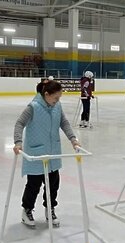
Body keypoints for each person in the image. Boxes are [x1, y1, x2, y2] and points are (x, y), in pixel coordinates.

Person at [13, 80, 80, 228]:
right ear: (46, 94)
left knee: (53, 185)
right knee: (33, 185)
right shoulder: (33, 107)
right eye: (55, 98)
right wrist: (18, 142)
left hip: (53, 153)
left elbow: (64, 123)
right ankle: (27, 210)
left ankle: (50, 209)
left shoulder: (57, 107)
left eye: (59, 98)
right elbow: (19, 123)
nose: (57, 101)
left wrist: (73, 139)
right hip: (36, 154)